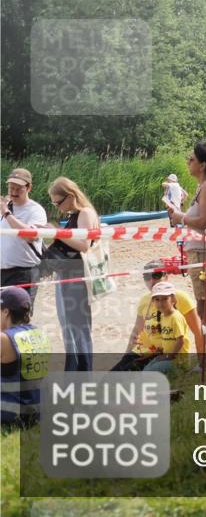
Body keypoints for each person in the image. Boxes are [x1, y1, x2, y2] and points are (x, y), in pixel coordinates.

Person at [166, 141, 206, 342]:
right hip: (203, 252)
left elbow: (203, 221)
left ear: (202, 165)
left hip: (205, 253)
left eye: (191, 159)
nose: (188, 162)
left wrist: (180, 217)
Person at [44, 177, 100, 372]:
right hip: (68, 275)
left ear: (70, 196)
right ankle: (75, 373)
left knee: (78, 328)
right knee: (69, 327)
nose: (57, 207)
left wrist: (58, 233)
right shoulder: (74, 215)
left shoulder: (84, 213)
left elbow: (84, 244)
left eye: (58, 202)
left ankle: (82, 375)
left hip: (77, 278)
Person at [1, 286, 49, 428]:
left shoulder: (4, 339)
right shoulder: (40, 334)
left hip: (10, 414)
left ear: (5, 312)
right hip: (37, 412)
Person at [1, 169, 46, 300]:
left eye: (18, 188)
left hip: (24, 273)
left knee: (18, 317)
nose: (14, 192)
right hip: (2, 273)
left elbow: (30, 236)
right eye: (11, 188)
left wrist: (6, 214)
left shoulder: (36, 210)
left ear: (28, 188)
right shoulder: (4, 206)